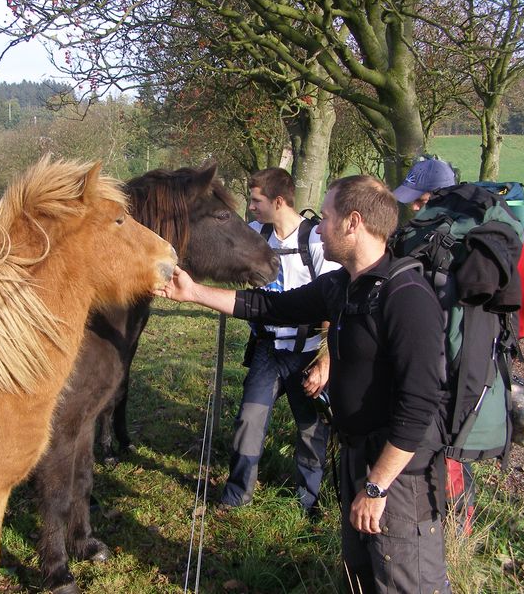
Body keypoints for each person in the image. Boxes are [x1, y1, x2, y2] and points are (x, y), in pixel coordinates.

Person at [156, 175, 452, 593]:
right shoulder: (343, 285)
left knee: (404, 579)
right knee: (360, 578)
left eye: (327, 216)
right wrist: (196, 293)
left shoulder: (407, 296)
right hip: (356, 459)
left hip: (397, 476)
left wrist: (377, 484)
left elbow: (421, 403)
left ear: (353, 222)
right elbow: (269, 305)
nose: (319, 225)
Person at [220, 168, 338, 512]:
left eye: (256, 200)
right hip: (268, 350)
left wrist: (326, 362)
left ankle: (309, 502)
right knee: (249, 421)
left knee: (310, 430)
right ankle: (236, 494)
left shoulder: (314, 239)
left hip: (309, 353)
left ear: (279, 201)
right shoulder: (255, 234)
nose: (251, 207)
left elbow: (333, 303)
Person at [395, 157, 477, 536]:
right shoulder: (432, 233)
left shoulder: (444, 240)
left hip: (446, 365)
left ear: (439, 195)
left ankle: (457, 531)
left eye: (418, 198)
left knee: (448, 448)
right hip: (440, 358)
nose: (412, 206)